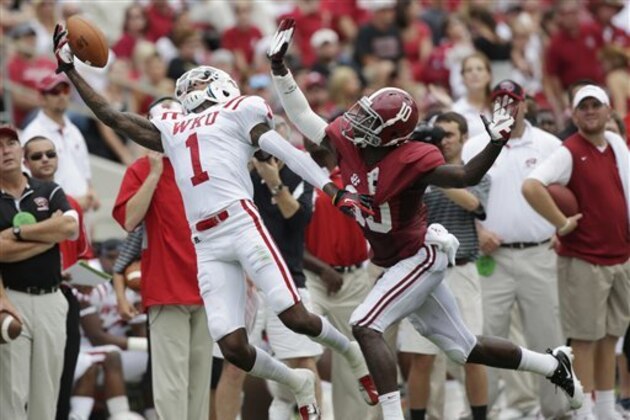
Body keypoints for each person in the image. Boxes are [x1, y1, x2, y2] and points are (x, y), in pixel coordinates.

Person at [53, 24, 376, 419]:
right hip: (206, 242)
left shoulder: (240, 110)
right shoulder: (171, 128)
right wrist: (71, 71)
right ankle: (297, 383)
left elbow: (285, 151)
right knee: (233, 349)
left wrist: (331, 188)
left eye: (205, 78)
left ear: (222, 85)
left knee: (295, 317)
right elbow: (112, 117)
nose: (196, 85)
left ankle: (352, 352)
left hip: (241, 224)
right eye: (192, 80)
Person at [268, 18, 584, 420]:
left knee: (365, 324)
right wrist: (280, 69)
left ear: (392, 135)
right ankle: (552, 365)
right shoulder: (350, 139)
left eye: (370, 121)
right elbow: (304, 118)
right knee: (464, 347)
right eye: (362, 115)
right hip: (392, 262)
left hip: (419, 257)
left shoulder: (413, 158)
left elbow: (466, 177)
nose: (357, 124)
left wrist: (495, 142)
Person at [461, 79, 569, 418]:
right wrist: (477, 231)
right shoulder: (475, 146)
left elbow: (568, 191)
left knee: (547, 335)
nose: (506, 107)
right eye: (499, 101)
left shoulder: (549, 144)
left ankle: (558, 410)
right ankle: (484, 411)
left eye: (513, 101)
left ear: (526, 104)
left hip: (540, 252)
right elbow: (465, 198)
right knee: (486, 339)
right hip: (493, 256)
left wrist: (561, 229)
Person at [523, 84, 630, 420]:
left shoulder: (615, 145)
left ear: (608, 110)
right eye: (582, 107)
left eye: (595, 105)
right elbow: (531, 185)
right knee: (583, 340)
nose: (589, 111)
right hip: (584, 259)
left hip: (619, 256)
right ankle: (581, 410)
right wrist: (561, 222)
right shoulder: (569, 151)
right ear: (572, 112)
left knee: (610, 337)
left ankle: (605, 408)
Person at [111, 97, 213, 420]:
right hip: (166, 287)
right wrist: (155, 172)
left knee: (200, 382)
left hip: (208, 285)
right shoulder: (141, 168)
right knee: (171, 386)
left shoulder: (202, 163)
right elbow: (129, 220)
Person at [404, 112, 490, 420]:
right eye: (438, 135)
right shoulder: (414, 173)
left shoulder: (477, 172)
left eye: (450, 135)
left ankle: (479, 417)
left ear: (464, 138)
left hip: (461, 268)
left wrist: (433, 174)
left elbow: (473, 204)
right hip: (420, 271)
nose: (443, 140)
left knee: (473, 353)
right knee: (421, 356)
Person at [0, 124, 79, 420]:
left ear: (21, 151)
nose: (5, 150)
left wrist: (16, 233)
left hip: (51, 299)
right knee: (10, 393)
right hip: (11, 300)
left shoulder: (48, 188)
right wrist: (49, 235)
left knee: (46, 392)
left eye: (11, 143)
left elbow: (70, 227)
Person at [250, 115, 325, 417]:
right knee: (232, 365)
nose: (270, 154)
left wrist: (274, 181)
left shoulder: (299, 174)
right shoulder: (242, 175)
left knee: (304, 361)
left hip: (288, 280)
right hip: (248, 282)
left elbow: (298, 219)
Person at [22, 135, 93, 420]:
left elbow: (85, 254)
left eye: (50, 154)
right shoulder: (18, 203)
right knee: (24, 378)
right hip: (26, 293)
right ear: (26, 162)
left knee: (62, 373)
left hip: (65, 295)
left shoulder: (72, 203)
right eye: (37, 156)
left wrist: (87, 277)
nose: (45, 160)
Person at [21, 73, 99, 211]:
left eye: (65, 90)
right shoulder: (32, 134)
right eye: (55, 91)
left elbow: (85, 171)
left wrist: (91, 193)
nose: (62, 95)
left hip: (83, 210)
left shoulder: (73, 130)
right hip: (56, 211)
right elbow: (30, 180)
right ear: (42, 98)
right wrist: (69, 202)